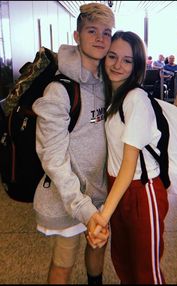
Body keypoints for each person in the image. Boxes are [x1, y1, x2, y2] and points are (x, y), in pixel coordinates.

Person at [32, 3, 115, 284]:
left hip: (101, 192)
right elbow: (52, 158)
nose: (100, 38)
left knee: (97, 247)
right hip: (65, 195)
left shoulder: (109, 83)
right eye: (92, 31)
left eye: (106, 32)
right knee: (63, 263)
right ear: (77, 36)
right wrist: (81, 207)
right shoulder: (59, 90)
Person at [87, 31, 169, 284]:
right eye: (112, 56)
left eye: (127, 60)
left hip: (142, 191)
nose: (117, 65)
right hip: (118, 189)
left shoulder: (136, 99)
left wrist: (102, 216)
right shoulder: (111, 98)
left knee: (146, 271)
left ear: (137, 66)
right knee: (124, 263)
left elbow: (128, 163)